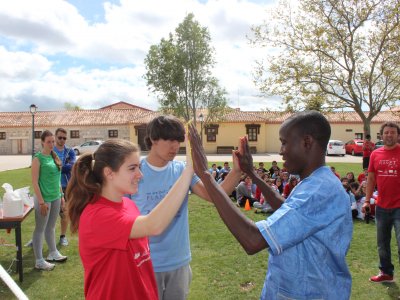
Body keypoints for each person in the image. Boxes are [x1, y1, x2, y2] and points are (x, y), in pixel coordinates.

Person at [188, 110, 352, 299]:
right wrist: (251, 172)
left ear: (307, 142)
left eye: (284, 143)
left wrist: (206, 175)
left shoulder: (318, 191)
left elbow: (253, 240)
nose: (281, 151)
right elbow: (287, 210)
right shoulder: (317, 182)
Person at [130, 115, 241, 300]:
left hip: (178, 262)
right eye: (169, 139)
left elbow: (214, 196)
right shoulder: (134, 171)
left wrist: (237, 171)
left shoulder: (181, 170)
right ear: (152, 139)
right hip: (144, 262)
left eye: (179, 140)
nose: (175, 146)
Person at [67, 139, 194, 300]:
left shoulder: (128, 204)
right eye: (132, 168)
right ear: (109, 173)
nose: (140, 175)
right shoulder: (97, 216)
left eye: (139, 167)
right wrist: (187, 172)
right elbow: (154, 225)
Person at [363, 122, 400, 283]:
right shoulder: (375, 154)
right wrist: (366, 200)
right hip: (382, 206)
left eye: (392, 132)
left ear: (398, 135)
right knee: (382, 244)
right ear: (381, 135)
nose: (389, 135)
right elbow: (370, 179)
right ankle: (386, 273)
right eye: (386, 133)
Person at [31, 130, 67, 271]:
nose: (52, 144)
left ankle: (53, 253)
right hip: (44, 199)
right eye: (49, 142)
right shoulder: (37, 158)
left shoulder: (54, 156)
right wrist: (41, 202)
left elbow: (57, 179)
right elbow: (34, 182)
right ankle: (39, 260)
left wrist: (61, 195)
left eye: (53, 141)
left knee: (51, 227)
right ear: (42, 142)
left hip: (56, 197)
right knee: (40, 229)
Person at [53, 128, 76, 246]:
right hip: (51, 185)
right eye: (60, 137)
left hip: (66, 185)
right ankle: (38, 237)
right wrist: (63, 167)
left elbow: (72, 166)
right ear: (55, 137)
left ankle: (62, 236)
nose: (62, 140)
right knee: (46, 214)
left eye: (64, 138)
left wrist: (56, 167)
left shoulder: (70, 151)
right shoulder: (50, 150)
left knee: (64, 212)